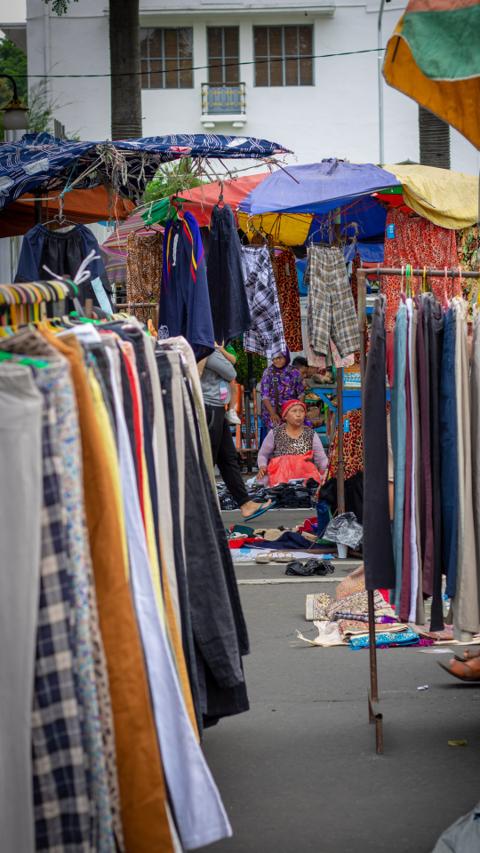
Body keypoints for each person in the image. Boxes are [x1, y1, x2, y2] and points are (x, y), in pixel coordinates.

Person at [201, 345, 274, 521]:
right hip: (209, 406)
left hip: (217, 406)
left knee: (228, 458)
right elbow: (230, 371)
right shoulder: (204, 346)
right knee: (208, 460)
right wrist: (219, 352)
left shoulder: (211, 348)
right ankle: (201, 510)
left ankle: (245, 503)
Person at [257, 399, 328, 487]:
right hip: (280, 477)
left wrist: (325, 472)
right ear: (285, 416)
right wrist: (262, 466)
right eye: (294, 411)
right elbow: (263, 454)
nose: (298, 414)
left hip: (305, 477)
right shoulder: (275, 433)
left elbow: (321, 458)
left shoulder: (311, 434)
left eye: (301, 411)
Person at [260, 350, 305, 436]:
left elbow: (301, 394)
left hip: (292, 410)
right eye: (274, 358)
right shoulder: (268, 373)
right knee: (276, 430)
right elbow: (265, 396)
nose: (277, 360)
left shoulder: (294, 372)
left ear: (286, 357)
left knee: (304, 426)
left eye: (280, 358)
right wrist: (272, 413)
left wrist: (299, 411)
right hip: (273, 411)